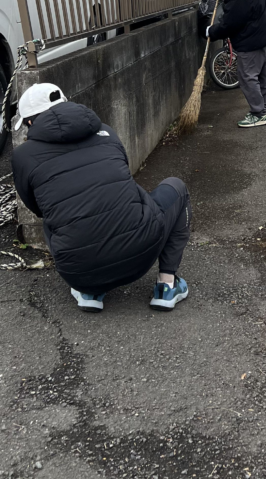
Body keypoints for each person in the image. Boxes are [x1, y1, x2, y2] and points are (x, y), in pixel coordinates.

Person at [11, 83, 191, 312]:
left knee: (54, 216)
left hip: (78, 273)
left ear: (29, 122)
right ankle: (167, 286)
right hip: (141, 256)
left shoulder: (22, 155)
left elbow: (36, 208)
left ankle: (91, 292)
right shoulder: (106, 131)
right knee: (176, 187)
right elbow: (124, 176)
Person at [207, 0, 266, 127]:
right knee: (262, 73)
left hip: (251, 39)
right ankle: (263, 106)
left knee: (247, 76)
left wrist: (212, 31)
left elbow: (231, 22)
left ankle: (258, 113)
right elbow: (247, 6)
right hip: (265, 33)